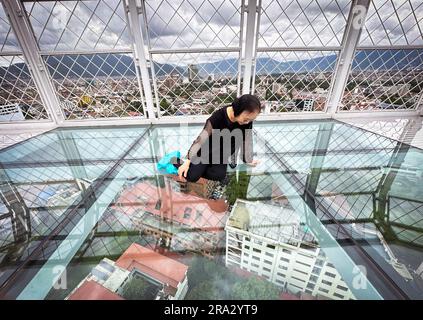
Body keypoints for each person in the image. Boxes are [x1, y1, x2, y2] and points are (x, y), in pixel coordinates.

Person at [171, 94, 261, 183]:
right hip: (206, 151)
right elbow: (201, 140)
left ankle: (199, 168)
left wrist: (247, 159)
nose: (248, 122)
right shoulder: (218, 117)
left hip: (222, 153)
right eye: (246, 119)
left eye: (251, 120)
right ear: (238, 110)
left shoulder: (247, 121)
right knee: (192, 177)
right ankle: (174, 160)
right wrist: (187, 161)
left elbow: (246, 138)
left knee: (219, 175)